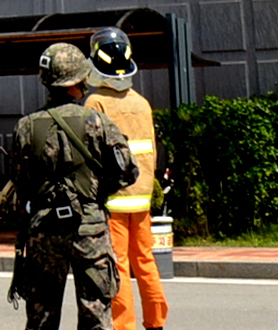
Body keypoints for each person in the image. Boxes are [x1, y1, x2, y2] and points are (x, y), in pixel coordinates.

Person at [9, 43, 136, 330]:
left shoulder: (26, 126)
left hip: (44, 229)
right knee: (95, 312)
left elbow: (20, 180)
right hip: (89, 228)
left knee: (41, 315)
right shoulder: (97, 122)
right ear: (78, 81)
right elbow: (127, 172)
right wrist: (96, 194)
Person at [80, 29, 166, 330]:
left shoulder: (96, 103)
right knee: (145, 260)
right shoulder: (142, 103)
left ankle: (123, 325)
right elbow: (151, 152)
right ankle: (156, 321)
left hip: (113, 199)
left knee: (117, 264)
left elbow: (90, 154)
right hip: (141, 198)